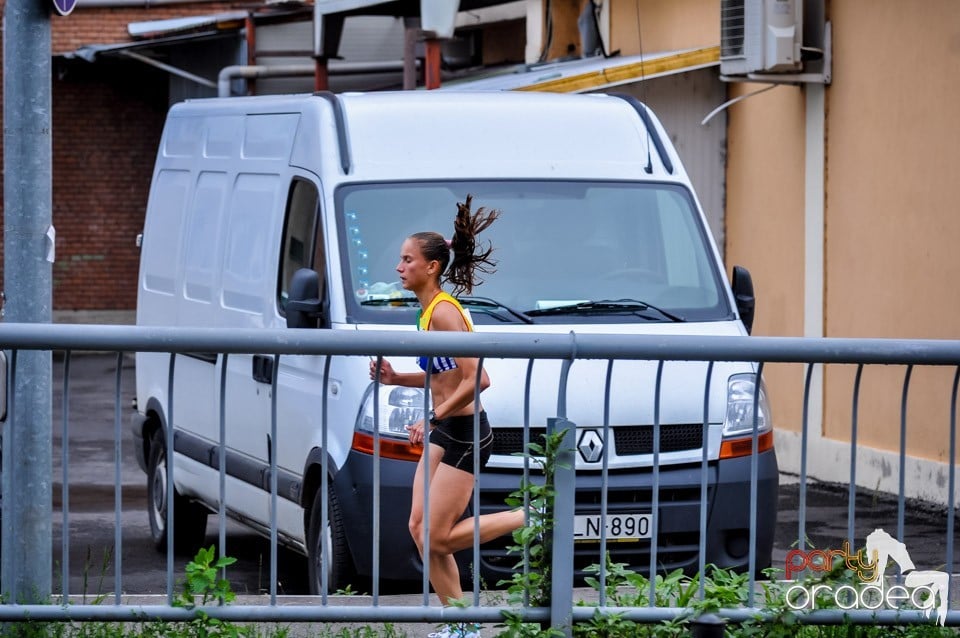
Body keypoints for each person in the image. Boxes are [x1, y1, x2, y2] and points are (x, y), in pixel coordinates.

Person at [369, 196, 525, 638]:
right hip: (445, 429)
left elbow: (479, 379)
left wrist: (432, 417)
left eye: (407, 259)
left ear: (431, 267)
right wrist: (395, 376)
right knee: (419, 529)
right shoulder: (425, 313)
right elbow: (444, 377)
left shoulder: (443, 312)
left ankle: (532, 517)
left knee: (438, 537)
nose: (399, 267)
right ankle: (461, 624)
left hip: (467, 433)